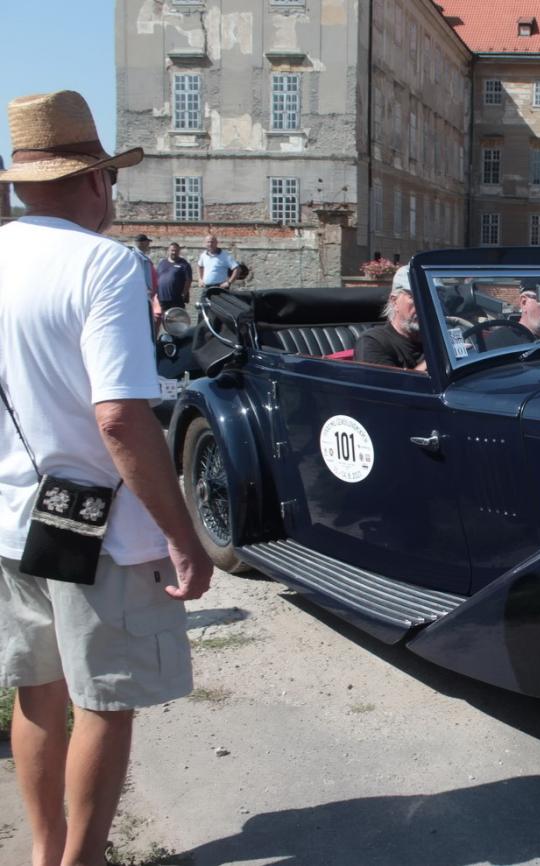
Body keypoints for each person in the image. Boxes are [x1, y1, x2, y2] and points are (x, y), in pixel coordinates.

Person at [0, 90, 213, 866]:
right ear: (95, 180)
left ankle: (45, 850)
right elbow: (121, 418)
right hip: (98, 527)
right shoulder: (106, 264)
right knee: (104, 703)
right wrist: (182, 536)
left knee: (37, 694)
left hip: (11, 515)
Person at [354, 265, 427, 371]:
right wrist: (435, 361)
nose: (423, 305)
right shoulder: (374, 342)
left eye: (431, 297)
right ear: (394, 301)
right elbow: (387, 381)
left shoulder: (440, 338)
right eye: (415, 297)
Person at [155, 242, 192, 313]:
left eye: (176, 251)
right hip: (162, 298)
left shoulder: (184, 264)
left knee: (177, 318)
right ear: (168, 251)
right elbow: (157, 278)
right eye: (172, 250)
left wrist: (184, 294)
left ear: (179, 251)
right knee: (164, 318)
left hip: (176, 299)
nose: (174, 252)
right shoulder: (162, 263)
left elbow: (188, 280)